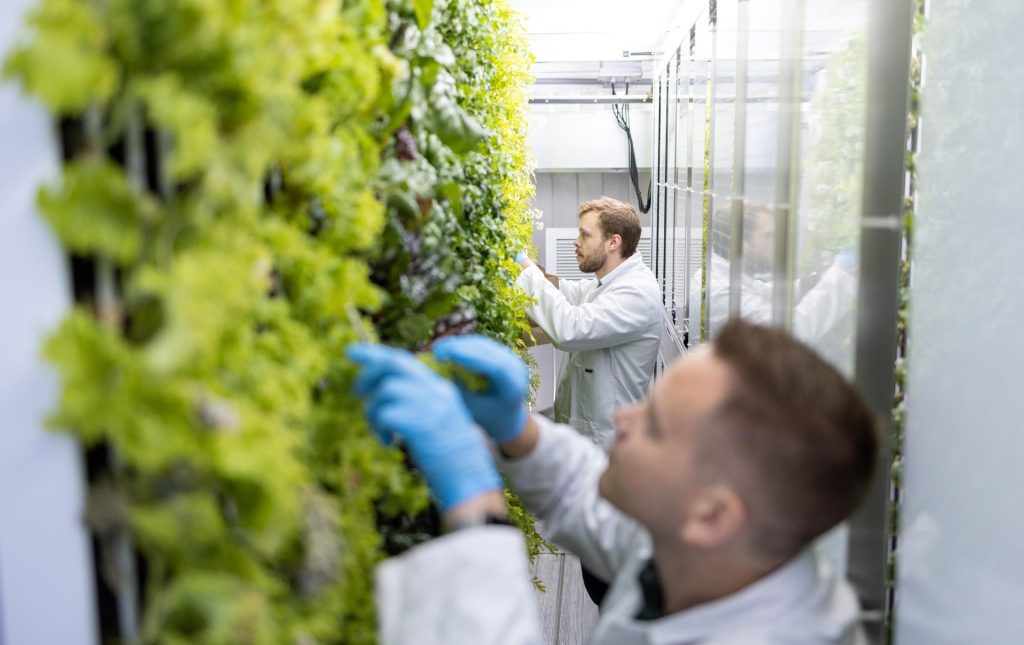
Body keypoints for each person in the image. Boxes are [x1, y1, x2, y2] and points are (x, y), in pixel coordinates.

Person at [349, 319, 878, 645]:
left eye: (653, 425)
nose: (625, 416)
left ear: (712, 515)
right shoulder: (719, 555)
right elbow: (591, 501)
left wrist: (474, 507)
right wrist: (518, 428)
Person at [515, 196, 662, 451]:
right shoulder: (608, 282)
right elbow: (570, 292)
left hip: (607, 442)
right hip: (587, 434)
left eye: (585, 235)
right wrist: (525, 268)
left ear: (613, 242)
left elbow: (570, 330)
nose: (576, 242)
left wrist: (528, 271)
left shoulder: (637, 293)